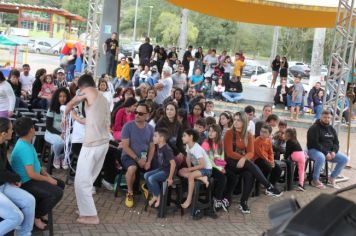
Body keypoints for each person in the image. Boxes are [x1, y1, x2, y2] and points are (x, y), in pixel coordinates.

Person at [64, 74, 111, 224]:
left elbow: (72, 102)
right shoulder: (102, 98)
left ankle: (90, 215)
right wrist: (76, 118)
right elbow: (92, 120)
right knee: (88, 179)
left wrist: (66, 111)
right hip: (103, 142)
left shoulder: (88, 91)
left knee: (81, 181)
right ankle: (85, 209)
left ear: (82, 86)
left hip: (93, 144)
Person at [11, 117, 64, 230]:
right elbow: (31, 174)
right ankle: (36, 217)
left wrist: (48, 176)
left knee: (60, 184)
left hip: (32, 178)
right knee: (56, 193)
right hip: (25, 182)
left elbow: (38, 166)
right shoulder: (24, 147)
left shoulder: (27, 142)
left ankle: (42, 209)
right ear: (31, 129)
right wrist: (48, 180)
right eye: (33, 127)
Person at [224, 112, 282, 214]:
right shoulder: (229, 133)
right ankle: (269, 186)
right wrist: (243, 158)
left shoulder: (249, 135)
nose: (236, 122)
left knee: (249, 174)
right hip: (230, 163)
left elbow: (251, 152)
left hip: (243, 163)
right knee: (250, 164)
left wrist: (243, 159)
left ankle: (243, 203)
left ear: (244, 122)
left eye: (239, 120)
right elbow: (229, 153)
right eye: (235, 120)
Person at [0, 117, 35, 236]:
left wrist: (16, 177)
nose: (13, 131)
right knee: (16, 217)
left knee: (29, 200)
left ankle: (24, 233)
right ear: (3, 133)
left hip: (3, 185)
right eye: (11, 129)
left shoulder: (3, 145)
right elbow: (1, 173)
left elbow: (6, 165)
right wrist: (15, 178)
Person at [120, 103, 155, 208]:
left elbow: (152, 147)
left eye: (140, 113)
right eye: (135, 112)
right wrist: (138, 159)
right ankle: (130, 193)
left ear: (147, 116)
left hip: (143, 156)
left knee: (157, 167)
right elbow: (125, 147)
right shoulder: (128, 126)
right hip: (128, 156)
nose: (136, 115)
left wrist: (148, 161)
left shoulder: (150, 128)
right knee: (132, 168)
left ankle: (146, 187)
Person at [307, 110, 349, 189]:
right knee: (321, 157)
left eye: (328, 118)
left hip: (329, 151)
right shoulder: (314, 128)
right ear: (321, 117)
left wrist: (334, 151)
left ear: (331, 118)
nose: (327, 119)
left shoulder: (331, 128)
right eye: (325, 117)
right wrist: (326, 153)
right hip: (314, 150)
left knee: (344, 159)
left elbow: (336, 142)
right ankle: (315, 180)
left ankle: (332, 177)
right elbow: (314, 143)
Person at [179, 129, 212, 209]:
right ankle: (201, 178)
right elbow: (188, 157)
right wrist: (189, 168)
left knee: (190, 176)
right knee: (180, 171)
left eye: (184, 136)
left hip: (206, 169)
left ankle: (189, 199)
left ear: (191, 137)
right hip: (197, 169)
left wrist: (190, 170)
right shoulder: (188, 145)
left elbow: (202, 165)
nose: (182, 138)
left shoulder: (197, 148)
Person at [144, 128, 176, 207]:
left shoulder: (167, 149)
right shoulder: (159, 146)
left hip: (167, 172)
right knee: (146, 175)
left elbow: (173, 164)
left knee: (152, 178)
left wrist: (170, 178)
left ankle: (159, 197)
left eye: (155, 136)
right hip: (162, 169)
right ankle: (155, 194)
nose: (153, 138)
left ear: (161, 139)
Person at [201, 124, 228, 211]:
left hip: (217, 166)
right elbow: (207, 160)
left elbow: (221, 157)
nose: (210, 133)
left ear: (218, 133)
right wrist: (220, 169)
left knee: (231, 176)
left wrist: (222, 167)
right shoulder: (206, 143)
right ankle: (217, 199)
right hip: (208, 167)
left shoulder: (220, 143)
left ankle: (225, 198)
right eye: (209, 131)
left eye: (213, 131)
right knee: (222, 178)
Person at [44, 88, 70, 169]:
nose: (62, 98)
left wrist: (66, 133)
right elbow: (48, 126)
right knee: (60, 142)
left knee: (74, 142)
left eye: (65, 96)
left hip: (65, 133)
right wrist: (60, 134)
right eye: (60, 96)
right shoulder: (52, 109)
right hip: (51, 132)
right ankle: (56, 157)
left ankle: (63, 157)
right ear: (56, 97)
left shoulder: (70, 109)